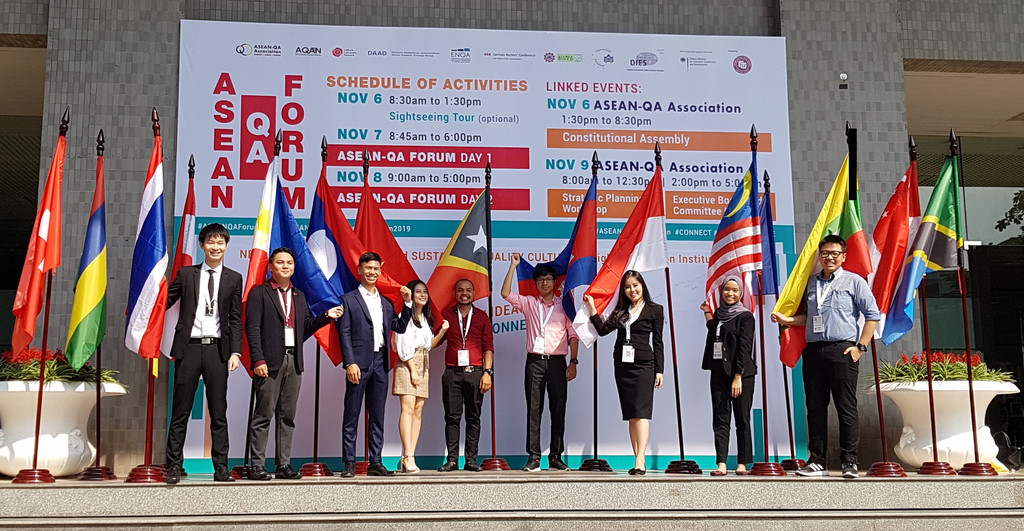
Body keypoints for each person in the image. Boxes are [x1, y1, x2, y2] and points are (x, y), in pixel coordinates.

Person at [771, 234, 880, 479]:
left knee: (845, 407)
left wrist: (860, 348)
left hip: (843, 351)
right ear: (819, 256)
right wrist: (788, 320)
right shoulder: (810, 283)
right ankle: (817, 461)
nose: (829, 257)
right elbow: (808, 317)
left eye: (834, 253)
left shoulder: (854, 282)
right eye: (825, 253)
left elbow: (872, 315)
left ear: (843, 256)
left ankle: (850, 461)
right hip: (814, 351)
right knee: (815, 407)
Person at [245, 247, 343, 480]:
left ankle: (283, 465)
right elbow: (252, 329)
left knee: (287, 416)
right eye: (280, 262)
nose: (285, 266)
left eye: (289, 263)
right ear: (271, 267)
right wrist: (258, 359)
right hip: (269, 362)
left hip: (294, 360)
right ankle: (257, 465)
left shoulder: (299, 295)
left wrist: (325, 317)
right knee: (263, 414)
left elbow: (305, 327)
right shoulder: (260, 293)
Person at [164, 222, 242, 484]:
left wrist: (236, 352)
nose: (215, 247)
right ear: (202, 245)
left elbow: (235, 318)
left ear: (226, 246)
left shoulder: (234, 278)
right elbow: (165, 301)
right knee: (181, 410)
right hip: (189, 347)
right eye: (210, 242)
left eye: (220, 242)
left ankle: (221, 468)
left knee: (218, 412)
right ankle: (174, 466)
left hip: (218, 350)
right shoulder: (187, 274)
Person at [501, 254, 579, 472]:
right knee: (534, 410)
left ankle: (556, 457)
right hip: (534, 362)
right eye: (541, 279)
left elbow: (573, 334)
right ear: (535, 283)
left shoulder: (564, 305)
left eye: (548, 279)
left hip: (557, 362)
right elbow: (505, 293)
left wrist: (573, 361)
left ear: (555, 282)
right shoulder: (529, 303)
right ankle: (534, 458)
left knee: (558, 409)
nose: (545, 282)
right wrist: (513, 266)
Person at [338, 252, 413, 477]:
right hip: (358, 363)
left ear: (380, 271)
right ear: (360, 270)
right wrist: (349, 362)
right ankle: (349, 462)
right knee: (352, 414)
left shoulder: (386, 303)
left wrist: (408, 303)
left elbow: (399, 327)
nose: (372, 272)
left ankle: (376, 461)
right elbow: (344, 333)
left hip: (381, 362)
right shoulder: (348, 299)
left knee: (377, 415)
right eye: (368, 268)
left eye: (376, 269)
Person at [584, 270, 664, 475]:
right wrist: (592, 308)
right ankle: (637, 457)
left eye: (635, 285)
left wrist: (659, 370)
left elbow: (658, 342)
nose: (632, 290)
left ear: (642, 286)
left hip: (644, 365)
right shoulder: (621, 310)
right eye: (628, 287)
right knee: (631, 414)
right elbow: (602, 330)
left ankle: (641, 459)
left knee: (642, 413)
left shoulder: (655, 309)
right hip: (622, 365)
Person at [436, 278, 494, 472]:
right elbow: (435, 341)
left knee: (473, 417)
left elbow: (488, 347)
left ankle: (471, 460)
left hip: (475, 373)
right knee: (452, 417)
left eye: (468, 290)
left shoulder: (482, 316)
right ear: (454, 293)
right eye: (460, 290)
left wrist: (487, 372)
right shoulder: (446, 315)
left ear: (474, 293)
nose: (464, 293)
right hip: (452, 373)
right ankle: (452, 460)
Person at [700, 276, 756, 476]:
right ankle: (721, 463)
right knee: (720, 419)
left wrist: (738, 376)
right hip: (719, 374)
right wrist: (707, 312)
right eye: (727, 290)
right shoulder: (719, 315)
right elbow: (713, 329)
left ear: (740, 293)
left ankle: (742, 463)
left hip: (741, 376)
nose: (730, 294)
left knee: (742, 420)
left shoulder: (746, 317)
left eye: (735, 290)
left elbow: (745, 348)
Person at [392, 280, 449, 474]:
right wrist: (413, 370)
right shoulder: (405, 315)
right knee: (407, 409)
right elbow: (402, 345)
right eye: (418, 292)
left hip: (423, 362)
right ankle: (407, 456)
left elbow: (428, 346)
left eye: (425, 291)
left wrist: (442, 332)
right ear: (411, 294)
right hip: (408, 362)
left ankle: (411, 454)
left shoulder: (425, 318)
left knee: (418, 410)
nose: (422, 295)